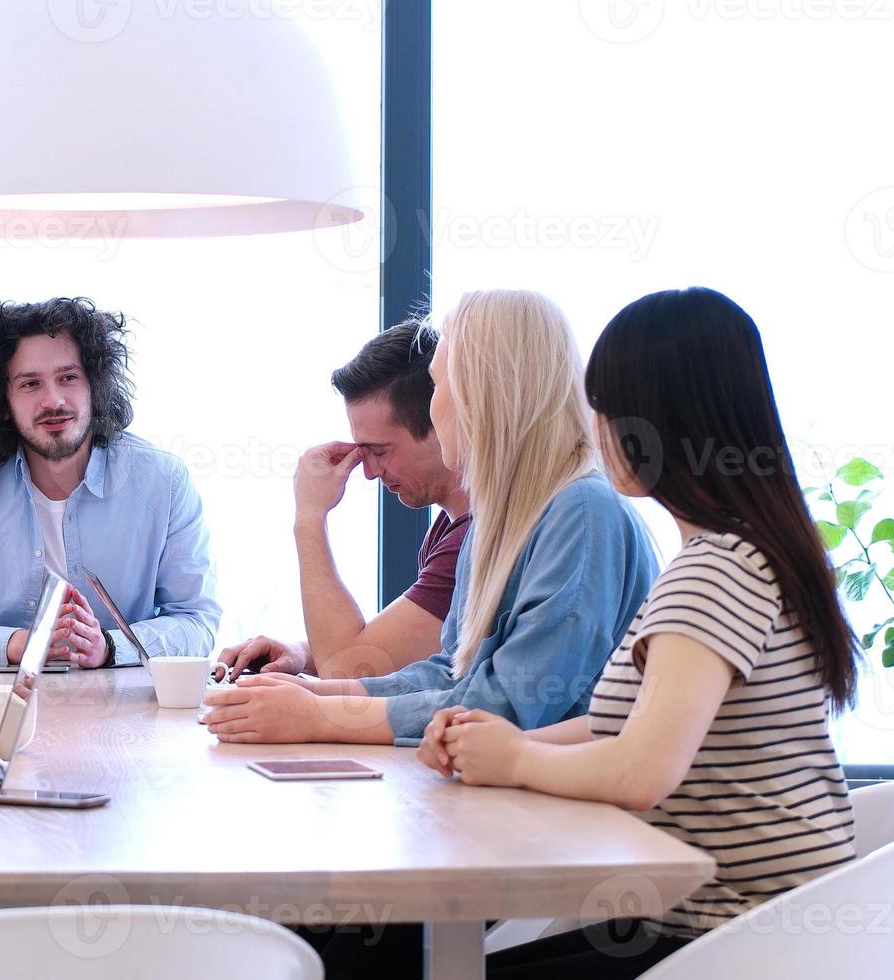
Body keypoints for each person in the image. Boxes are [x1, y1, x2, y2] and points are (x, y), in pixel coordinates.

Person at [419, 287, 860, 977]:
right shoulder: (747, 553)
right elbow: (621, 724)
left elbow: (640, 771)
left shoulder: (715, 573)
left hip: (738, 941)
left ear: (655, 423)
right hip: (752, 928)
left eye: (605, 409)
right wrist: (495, 740)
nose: (593, 429)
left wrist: (513, 760)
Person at [201, 289, 659, 746]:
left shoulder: (580, 512)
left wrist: (321, 715)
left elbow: (512, 706)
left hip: (575, 811)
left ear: (483, 394)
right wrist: (316, 692)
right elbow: (453, 670)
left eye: (438, 385)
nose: (432, 404)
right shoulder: (498, 518)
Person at [0, 297, 220, 667]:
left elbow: (196, 621)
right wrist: (22, 643)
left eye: (68, 378)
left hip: (126, 710)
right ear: (3, 400)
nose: (53, 400)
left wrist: (110, 647)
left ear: (95, 385)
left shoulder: (163, 480)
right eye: (30, 384)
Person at [215, 319, 470, 680]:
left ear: (440, 424)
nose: (370, 472)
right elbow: (395, 654)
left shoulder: (470, 539)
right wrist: (302, 653)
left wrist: (310, 516)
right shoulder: (449, 527)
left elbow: (349, 669)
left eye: (380, 451)